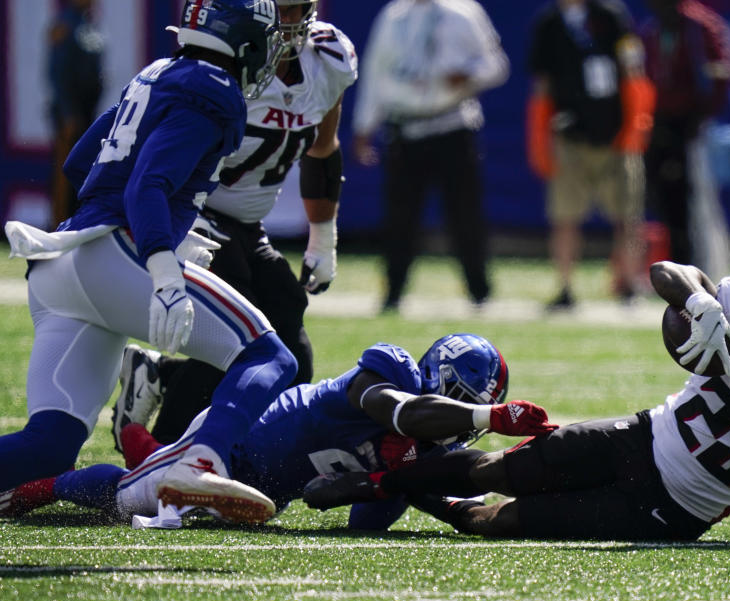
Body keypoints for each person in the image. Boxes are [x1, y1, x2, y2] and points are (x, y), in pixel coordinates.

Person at [304, 262, 730, 542]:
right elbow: (666, 272)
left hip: (673, 510)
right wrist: (701, 304)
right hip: (641, 435)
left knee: (491, 521)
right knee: (497, 467)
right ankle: (372, 481)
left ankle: (406, 491)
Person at [0, 0, 299, 525]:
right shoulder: (216, 89)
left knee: (46, 448)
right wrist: (162, 265)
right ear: (244, 42)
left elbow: (78, 164)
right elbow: (149, 184)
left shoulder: (159, 72)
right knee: (269, 357)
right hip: (114, 255)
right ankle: (200, 461)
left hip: (63, 263)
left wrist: (162, 226)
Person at [114, 0, 359, 447]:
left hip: (247, 224)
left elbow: (323, 151)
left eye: (295, 9)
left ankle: (169, 382)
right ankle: (164, 453)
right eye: (278, 9)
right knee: (233, 329)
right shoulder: (230, 53)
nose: (286, 21)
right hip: (195, 210)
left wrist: (324, 238)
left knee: (289, 338)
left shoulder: (329, 59)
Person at [0, 334, 555, 530]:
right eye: (457, 402)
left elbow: (348, 513)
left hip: (267, 489)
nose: (460, 417)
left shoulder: (423, 441)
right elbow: (402, 413)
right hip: (237, 441)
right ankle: (36, 488)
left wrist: (405, 483)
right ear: (436, 379)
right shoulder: (390, 375)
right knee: (132, 495)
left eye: (473, 408)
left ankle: (134, 428)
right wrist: (489, 419)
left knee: (181, 500)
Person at [351, 0, 510, 312]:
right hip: (405, 128)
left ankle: (479, 292)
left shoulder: (464, 13)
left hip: (451, 124)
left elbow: (496, 64)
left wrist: (467, 74)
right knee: (400, 217)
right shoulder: (393, 16)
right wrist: (363, 127)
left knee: (464, 214)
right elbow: (375, 73)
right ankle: (393, 292)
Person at [526, 0, 654, 310]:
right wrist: (540, 137)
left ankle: (628, 284)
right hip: (569, 136)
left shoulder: (610, 15)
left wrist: (635, 125)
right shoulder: (549, 23)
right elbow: (542, 85)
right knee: (565, 216)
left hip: (615, 135)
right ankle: (566, 286)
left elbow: (632, 70)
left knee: (627, 215)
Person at [639, 0, 730, 268]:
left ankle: (710, 268)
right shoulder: (653, 29)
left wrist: (704, 113)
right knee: (668, 203)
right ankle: (680, 267)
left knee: (701, 202)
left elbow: (724, 72)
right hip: (660, 126)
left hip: (694, 127)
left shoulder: (701, 25)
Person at [47, 0, 105, 228]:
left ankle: (76, 223)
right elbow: (57, 74)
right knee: (64, 171)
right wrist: (68, 112)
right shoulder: (64, 25)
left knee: (83, 169)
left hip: (88, 110)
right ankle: (57, 225)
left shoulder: (90, 25)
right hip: (70, 113)